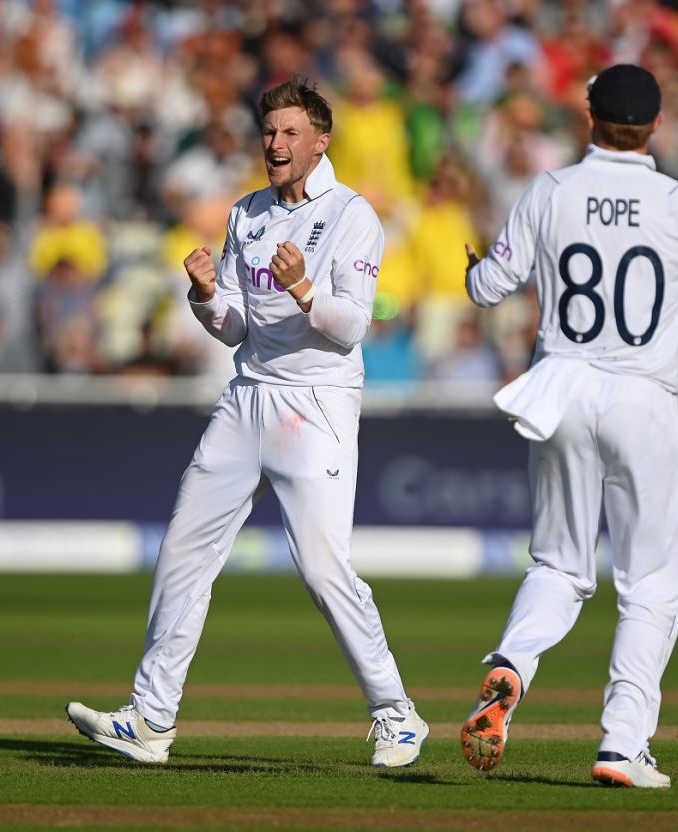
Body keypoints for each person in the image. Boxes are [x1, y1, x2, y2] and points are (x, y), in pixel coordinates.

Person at [66, 77, 429, 767]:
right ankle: (151, 718)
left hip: (316, 404)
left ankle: (397, 715)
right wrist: (205, 295)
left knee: (323, 570)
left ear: (321, 141)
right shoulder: (247, 214)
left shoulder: (353, 215)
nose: (276, 144)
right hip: (245, 398)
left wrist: (302, 287)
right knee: (183, 550)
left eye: (291, 132)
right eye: (269, 132)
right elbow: (234, 327)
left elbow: (351, 325)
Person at [459, 64, 678, 788]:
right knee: (650, 582)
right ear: (656, 127)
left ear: (589, 118)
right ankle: (623, 743)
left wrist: (475, 264)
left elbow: (487, 287)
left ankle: (511, 666)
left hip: (560, 386)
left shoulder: (552, 189)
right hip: (641, 396)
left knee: (559, 564)